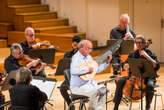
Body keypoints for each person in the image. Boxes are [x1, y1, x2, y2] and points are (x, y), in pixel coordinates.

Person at [113, 35, 160, 110]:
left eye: (141, 42)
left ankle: (148, 106)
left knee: (150, 85)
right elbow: (124, 63)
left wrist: (147, 57)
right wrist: (125, 65)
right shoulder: (132, 53)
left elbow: (157, 66)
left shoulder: (151, 53)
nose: (139, 44)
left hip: (147, 77)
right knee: (120, 81)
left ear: (144, 43)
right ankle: (116, 106)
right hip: (134, 76)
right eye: (137, 43)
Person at [70, 40, 112, 110]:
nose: (90, 51)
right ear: (81, 48)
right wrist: (87, 70)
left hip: (90, 85)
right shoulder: (76, 58)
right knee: (95, 92)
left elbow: (96, 70)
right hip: (78, 88)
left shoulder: (89, 57)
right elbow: (73, 71)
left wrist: (107, 63)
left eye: (91, 48)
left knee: (105, 90)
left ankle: (97, 109)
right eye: (88, 48)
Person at [59, 36, 81, 110]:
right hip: (69, 78)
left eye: (77, 42)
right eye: (73, 42)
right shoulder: (68, 53)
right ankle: (70, 104)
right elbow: (64, 66)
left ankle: (81, 105)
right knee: (62, 88)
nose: (75, 43)